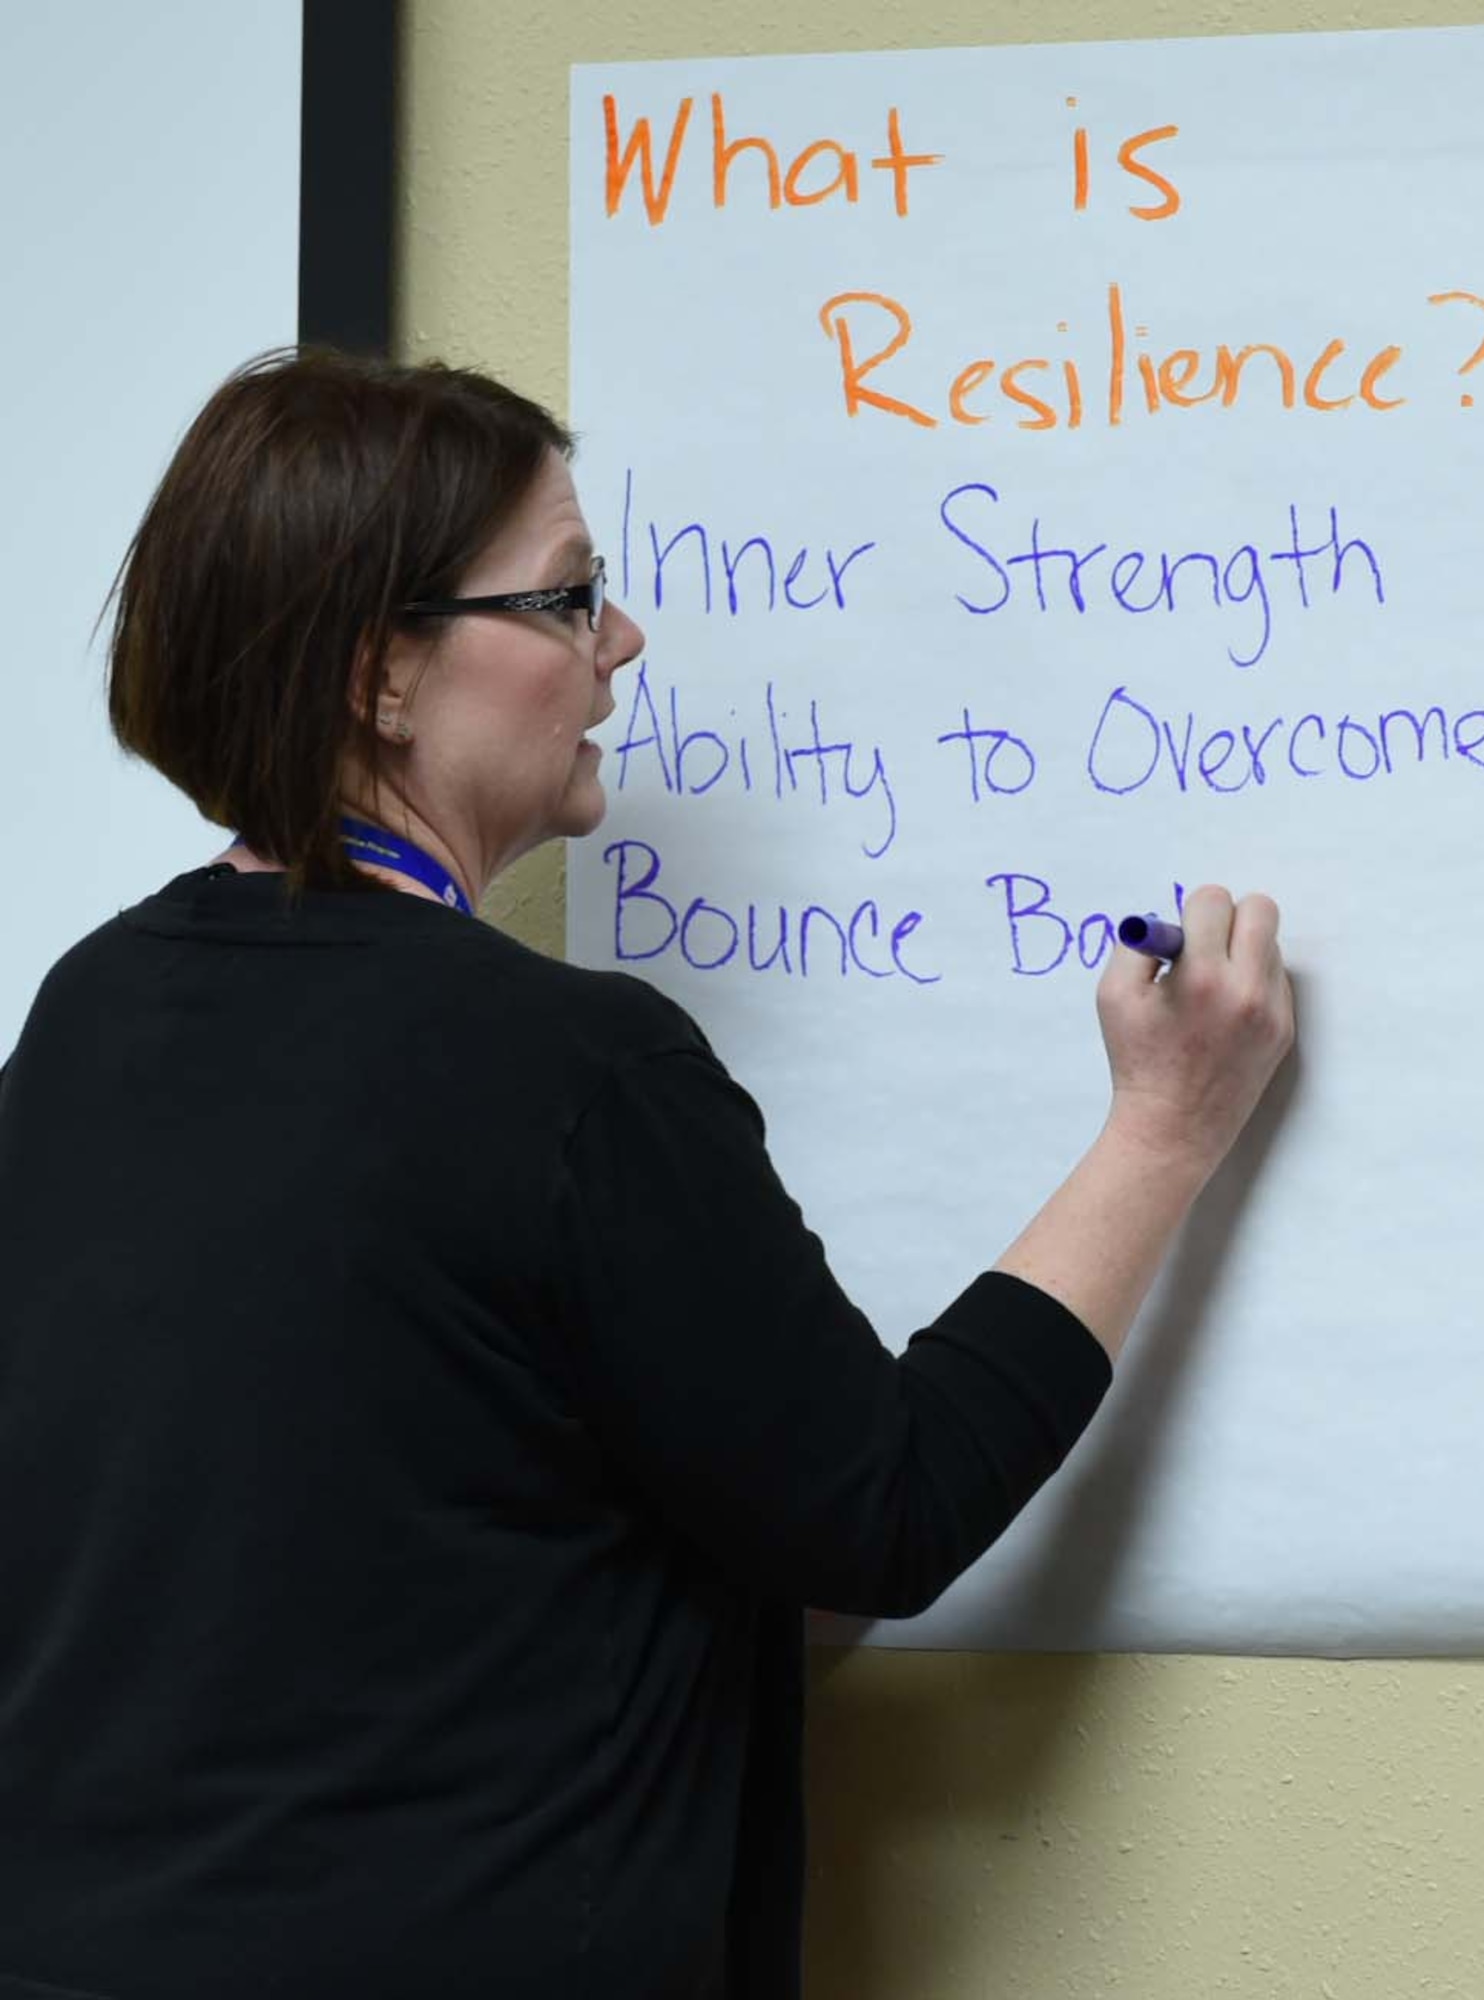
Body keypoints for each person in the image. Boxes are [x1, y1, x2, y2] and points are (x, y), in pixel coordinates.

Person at [0, 347, 1293, 2000]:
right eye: (565, 598)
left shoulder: (90, 1009)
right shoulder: (568, 1069)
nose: (619, 641)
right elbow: (881, 1515)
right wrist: (1164, 1126)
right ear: (380, 675)